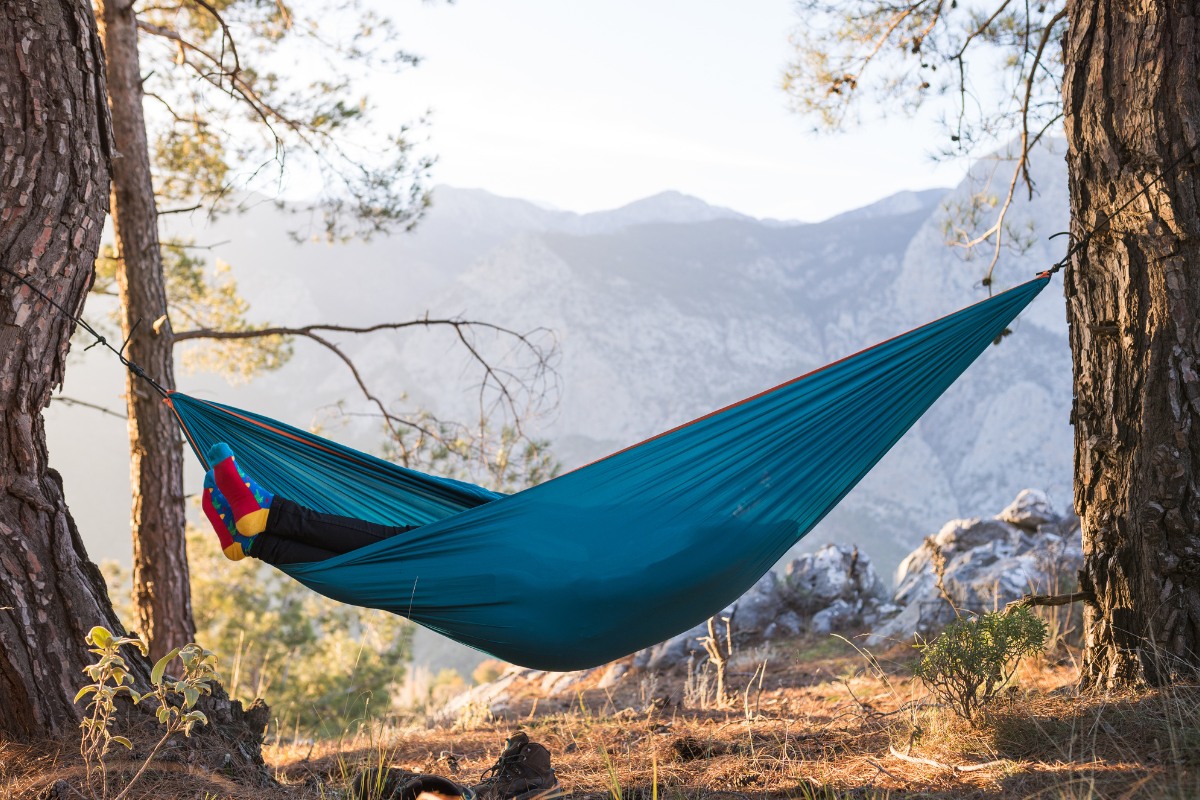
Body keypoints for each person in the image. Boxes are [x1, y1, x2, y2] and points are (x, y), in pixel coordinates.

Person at [201, 443, 418, 564]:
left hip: (441, 557)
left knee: (400, 545)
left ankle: (268, 515)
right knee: (359, 567)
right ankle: (254, 543)